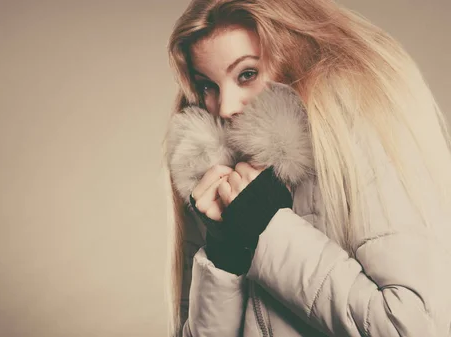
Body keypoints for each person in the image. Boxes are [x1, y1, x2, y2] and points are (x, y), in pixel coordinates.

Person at [161, 0, 451, 336]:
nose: (224, 107)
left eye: (247, 74)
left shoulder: (364, 139)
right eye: (208, 86)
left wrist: (269, 230)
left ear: (294, 59)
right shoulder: (218, 178)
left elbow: (415, 327)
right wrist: (225, 257)